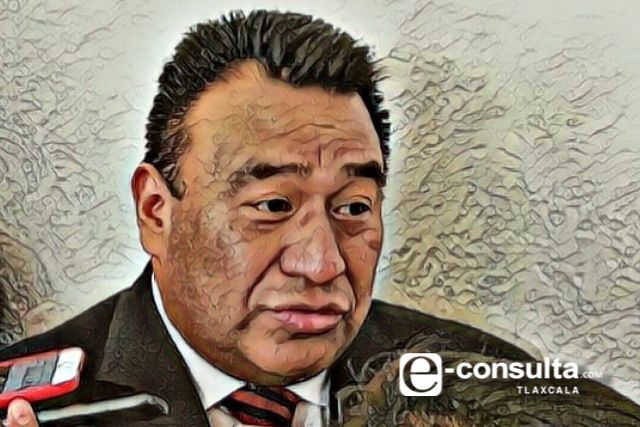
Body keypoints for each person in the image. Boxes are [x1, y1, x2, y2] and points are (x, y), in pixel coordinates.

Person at [1, 9, 638, 427]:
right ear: (156, 211)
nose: (323, 263)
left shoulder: (481, 379)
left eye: (354, 208)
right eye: (273, 206)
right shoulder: (33, 404)